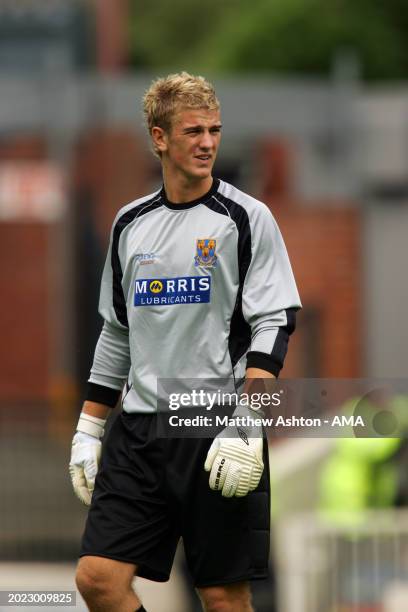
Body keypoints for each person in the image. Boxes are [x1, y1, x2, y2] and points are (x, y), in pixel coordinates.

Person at [69, 72, 301, 612]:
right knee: (98, 579)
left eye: (215, 130)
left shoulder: (247, 219)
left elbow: (275, 324)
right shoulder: (129, 224)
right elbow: (117, 333)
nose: (207, 143)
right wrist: (88, 427)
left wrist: (248, 421)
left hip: (217, 426)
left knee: (221, 596)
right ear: (159, 138)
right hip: (140, 433)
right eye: (193, 131)